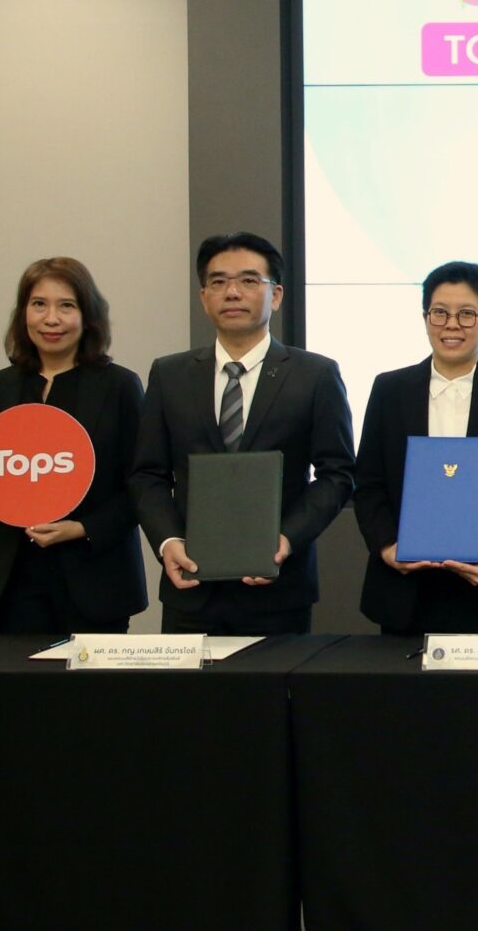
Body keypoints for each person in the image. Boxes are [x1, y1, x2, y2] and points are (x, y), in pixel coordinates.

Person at [130, 232, 355, 635]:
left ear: (276, 295)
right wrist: (167, 542)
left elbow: (337, 473)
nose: (232, 292)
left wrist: (287, 539)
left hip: (279, 589)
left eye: (249, 280)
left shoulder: (315, 375)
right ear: (204, 298)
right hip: (191, 588)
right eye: (218, 282)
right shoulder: (169, 374)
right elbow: (147, 474)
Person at [352, 262, 478, 635]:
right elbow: (369, 483)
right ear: (425, 318)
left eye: (467, 314)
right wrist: (388, 547)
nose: (451, 325)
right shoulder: (389, 390)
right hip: (406, 590)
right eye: (440, 313)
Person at [0, 258, 146, 634]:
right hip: (15, 582)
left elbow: (144, 486)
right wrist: (4, 494)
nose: (51, 319)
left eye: (66, 305)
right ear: (23, 314)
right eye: (39, 304)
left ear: (88, 316)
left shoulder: (119, 386)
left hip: (97, 580)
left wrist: (82, 528)